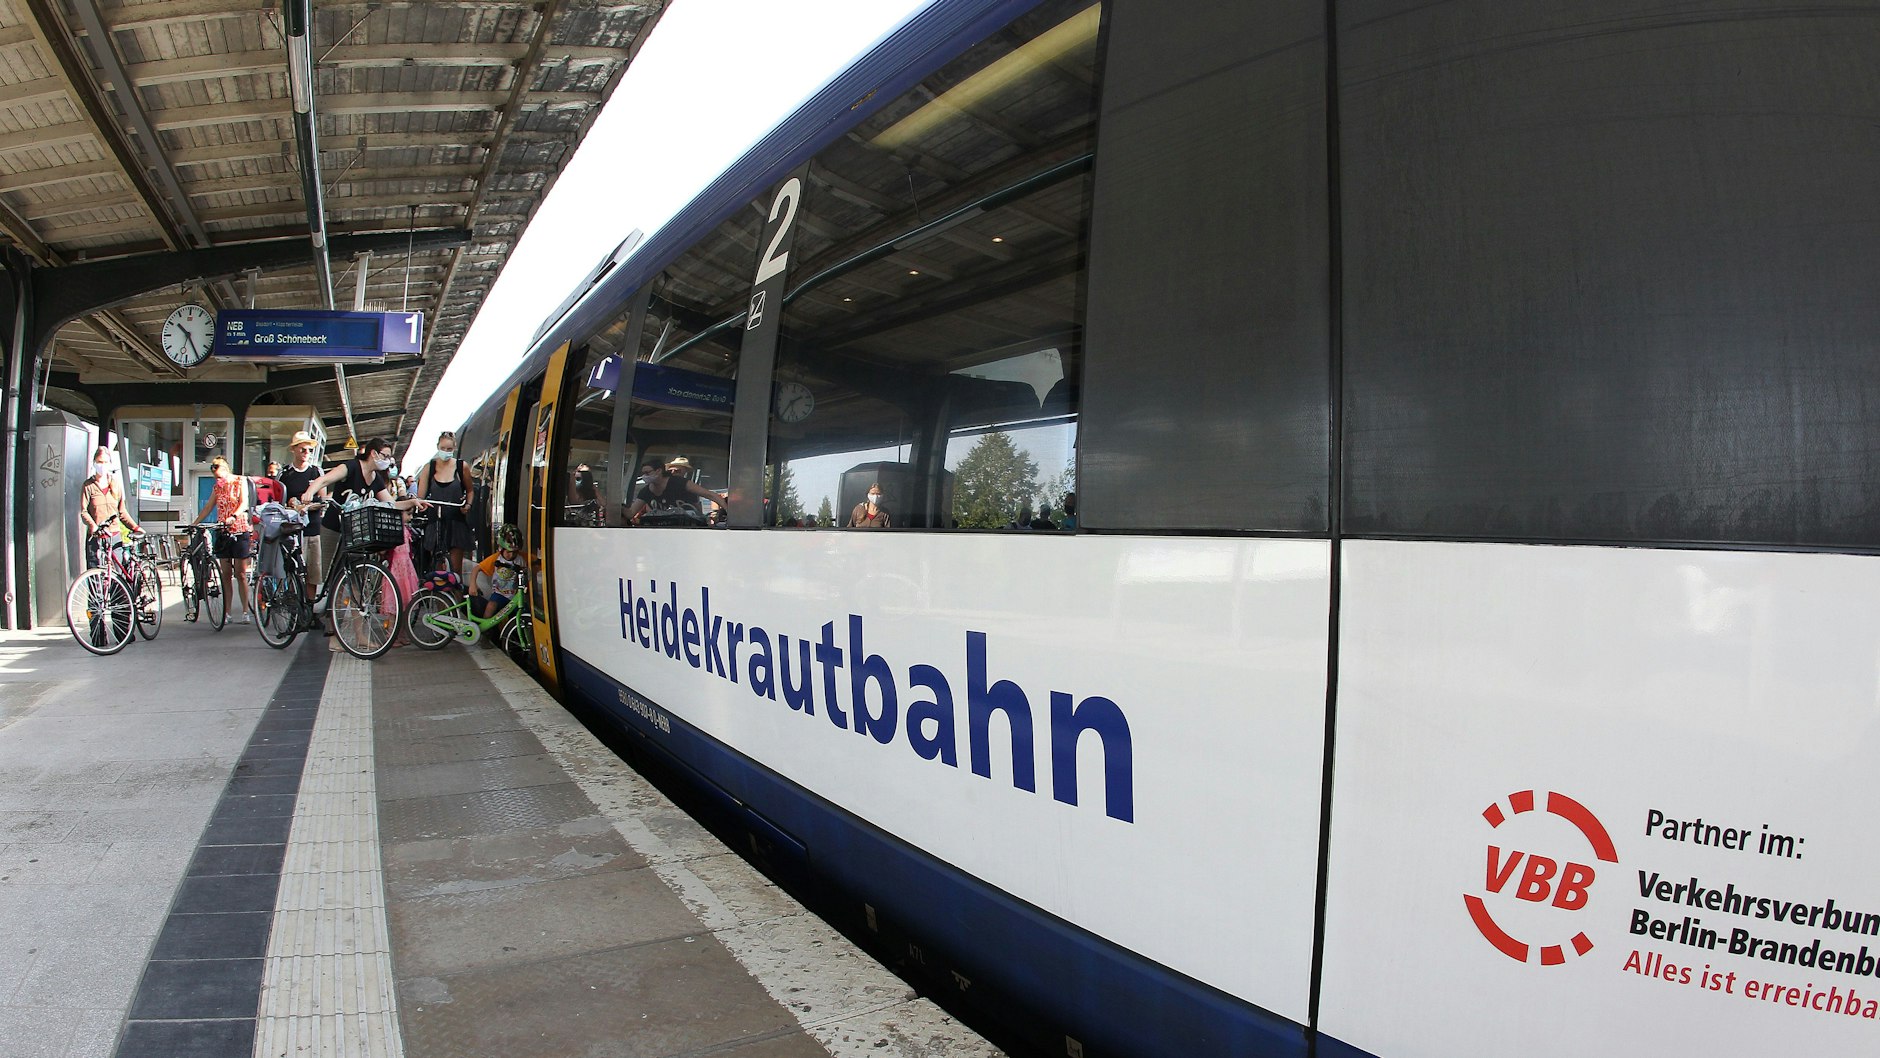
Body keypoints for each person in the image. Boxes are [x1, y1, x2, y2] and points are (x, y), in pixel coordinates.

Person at [194, 455, 256, 623]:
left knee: (240, 573)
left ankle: (245, 611)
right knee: (226, 573)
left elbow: (244, 502)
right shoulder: (217, 488)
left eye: (220, 477)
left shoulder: (239, 481)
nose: (218, 480)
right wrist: (195, 523)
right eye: (216, 478)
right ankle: (227, 612)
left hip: (239, 528)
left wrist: (234, 516)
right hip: (222, 530)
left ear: (226, 471)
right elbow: (208, 506)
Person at [275, 431, 327, 607]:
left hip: (313, 527)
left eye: (309, 450)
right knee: (294, 570)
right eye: (303, 449)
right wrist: (292, 504)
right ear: (294, 450)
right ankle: (295, 606)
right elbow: (280, 504)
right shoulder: (285, 474)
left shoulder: (316, 472)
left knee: (313, 571)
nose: (306, 453)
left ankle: (309, 608)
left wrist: (312, 505)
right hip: (294, 530)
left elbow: (323, 500)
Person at [416, 430, 475, 583]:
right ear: (438, 447)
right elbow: (420, 496)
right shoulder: (429, 468)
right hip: (434, 523)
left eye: (449, 449)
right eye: (443, 448)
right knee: (437, 570)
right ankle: (441, 602)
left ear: (454, 448)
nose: (446, 452)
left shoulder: (462, 467)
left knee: (456, 571)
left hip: (456, 523)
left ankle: (457, 601)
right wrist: (420, 504)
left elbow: (470, 490)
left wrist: (467, 505)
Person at [78, 447, 140, 567]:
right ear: (94, 463)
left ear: (110, 463)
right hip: (96, 537)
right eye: (100, 462)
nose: (102, 465)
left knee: (117, 573)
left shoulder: (115, 484)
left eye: (105, 462)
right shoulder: (88, 486)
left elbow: (122, 512)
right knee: (95, 574)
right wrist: (93, 526)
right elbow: (83, 511)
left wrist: (135, 527)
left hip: (114, 536)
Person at [627, 456, 725, 525]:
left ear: (659, 471)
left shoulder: (680, 483)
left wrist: (730, 515)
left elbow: (710, 495)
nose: (644, 476)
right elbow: (631, 513)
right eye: (643, 473)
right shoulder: (645, 491)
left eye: (647, 473)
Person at [473, 523, 526, 621]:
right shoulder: (496, 558)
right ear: (501, 549)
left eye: (515, 552)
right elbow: (477, 568)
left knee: (521, 612)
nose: (511, 555)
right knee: (491, 606)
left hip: (515, 595)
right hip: (499, 593)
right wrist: (473, 585)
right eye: (508, 552)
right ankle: (485, 629)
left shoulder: (521, 559)